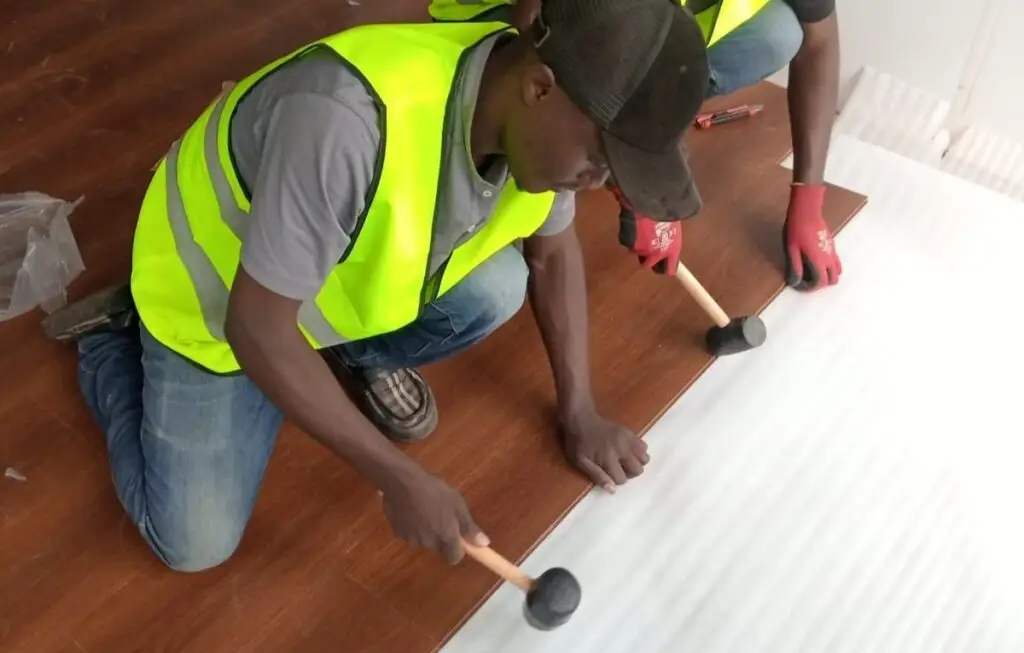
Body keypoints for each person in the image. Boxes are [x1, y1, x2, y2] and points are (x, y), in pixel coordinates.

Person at [41, 0, 712, 572]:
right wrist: (398, 476)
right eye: (598, 159)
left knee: (498, 288)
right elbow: (255, 326)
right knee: (194, 542)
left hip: (306, 283)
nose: (597, 182)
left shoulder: (535, 109)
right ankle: (117, 339)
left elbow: (553, 255)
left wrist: (581, 412)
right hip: (213, 307)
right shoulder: (347, 122)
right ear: (540, 89)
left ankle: (331, 359)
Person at [430, 0, 843, 290]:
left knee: (779, 31)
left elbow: (820, 41)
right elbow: (535, 33)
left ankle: (605, 142)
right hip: (512, 36)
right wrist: (625, 166)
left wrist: (808, 199)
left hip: (637, 44)